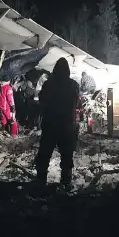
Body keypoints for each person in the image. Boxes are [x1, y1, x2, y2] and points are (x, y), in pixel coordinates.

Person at [35, 57, 79, 186]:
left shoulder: (48, 83)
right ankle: (66, 183)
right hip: (66, 125)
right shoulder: (73, 85)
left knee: (44, 154)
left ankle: (40, 181)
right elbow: (76, 103)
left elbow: (42, 102)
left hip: (50, 124)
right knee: (66, 156)